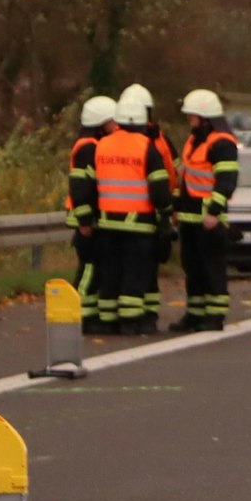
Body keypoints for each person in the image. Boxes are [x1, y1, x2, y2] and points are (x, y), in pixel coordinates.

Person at [92, 98, 172, 335]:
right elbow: (159, 188)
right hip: (138, 225)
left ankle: (107, 319)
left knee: (110, 273)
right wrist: (166, 214)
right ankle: (130, 321)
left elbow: (90, 183)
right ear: (142, 122)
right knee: (135, 274)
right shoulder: (147, 147)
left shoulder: (102, 145)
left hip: (106, 224)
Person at [170, 89, 238, 333]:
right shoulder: (194, 141)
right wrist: (176, 208)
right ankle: (195, 313)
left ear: (205, 117)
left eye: (192, 116)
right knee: (193, 268)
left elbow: (226, 181)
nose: (189, 120)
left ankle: (215, 314)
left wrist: (214, 212)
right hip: (190, 217)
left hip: (210, 219)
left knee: (212, 268)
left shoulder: (222, 143)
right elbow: (185, 177)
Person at [120, 84, 177, 324]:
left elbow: (173, 169)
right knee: (140, 267)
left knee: (143, 267)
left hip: (147, 211)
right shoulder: (154, 142)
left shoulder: (156, 140)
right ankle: (142, 314)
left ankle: (145, 313)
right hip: (146, 211)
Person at [66, 95, 119, 335]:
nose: (115, 126)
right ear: (101, 123)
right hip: (86, 218)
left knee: (95, 267)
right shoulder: (88, 148)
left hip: (90, 216)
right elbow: (81, 187)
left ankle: (90, 314)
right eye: (112, 122)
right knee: (89, 268)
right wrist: (86, 220)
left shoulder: (92, 144)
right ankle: (80, 315)